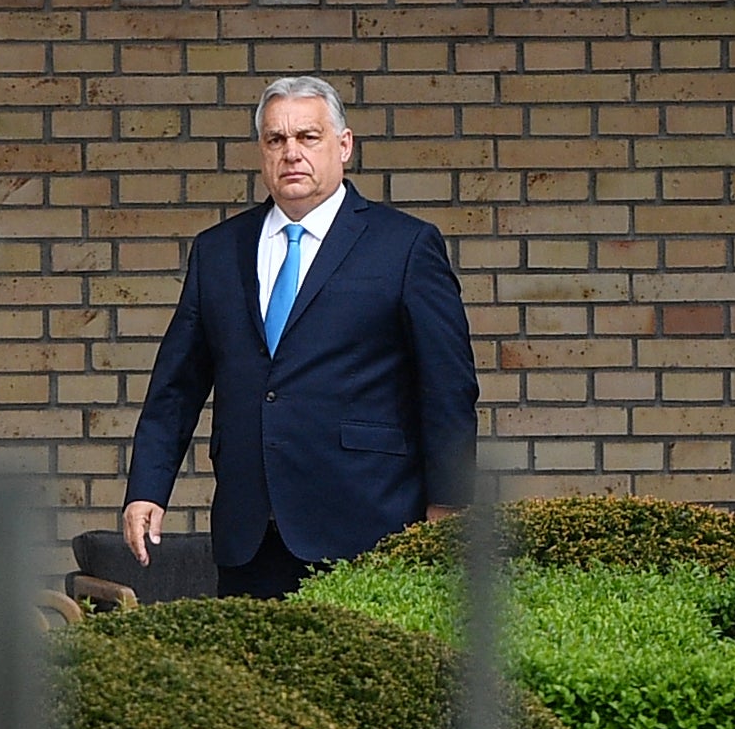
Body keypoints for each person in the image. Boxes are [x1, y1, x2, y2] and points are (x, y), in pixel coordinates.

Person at [123, 76, 479, 599]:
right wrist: (147, 488)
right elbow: (175, 388)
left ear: (344, 145)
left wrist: (449, 506)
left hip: (369, 523)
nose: (291, 153)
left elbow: (447, 387)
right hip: (250, 532)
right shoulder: (218, 251)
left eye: (308, 138)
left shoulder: (404, 246)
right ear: (262, 152)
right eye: (276, 140)